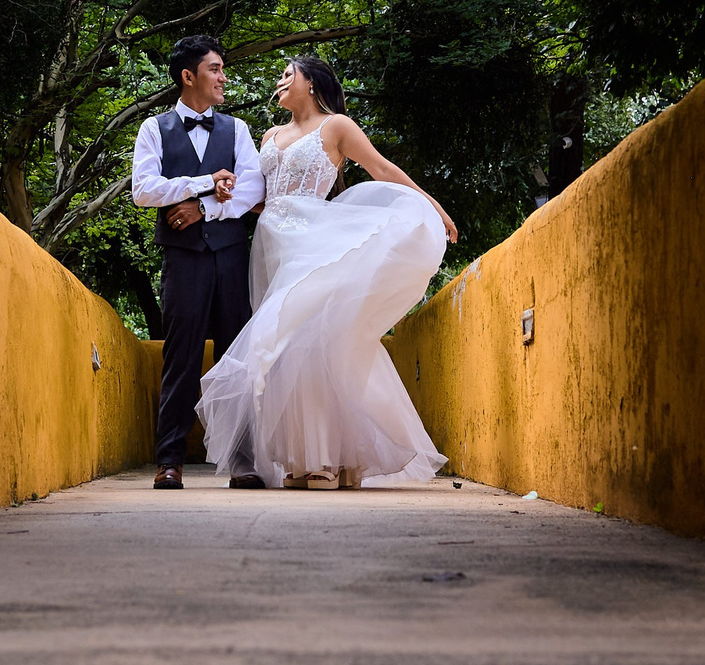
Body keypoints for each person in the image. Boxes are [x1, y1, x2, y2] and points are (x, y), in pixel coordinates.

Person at [196, 55, 458, 490]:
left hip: (313, 240)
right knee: (285, 352)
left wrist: (434, 206)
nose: (278, 82)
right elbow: (260, 196)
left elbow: (382, 169)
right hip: (270, 244)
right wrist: (214, 192)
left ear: (312, 83)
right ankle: (306, 459)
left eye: (287, 75)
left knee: (311, 339)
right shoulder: (270, 135)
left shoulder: (337, 126)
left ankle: (327, 458)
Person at [129, 35, 265, 489]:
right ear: (189, 76)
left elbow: (252, 190)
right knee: (180, 358)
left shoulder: (238, 129)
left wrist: (202, 207)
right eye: (215, 69)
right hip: (182, 259)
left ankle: (241, 461)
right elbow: (143, 190)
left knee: (235, 358)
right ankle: (170, 461)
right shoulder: (154, 129)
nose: (224, 77)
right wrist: (205, 182)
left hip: (230, 255)